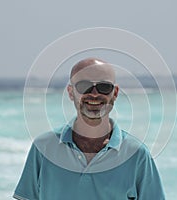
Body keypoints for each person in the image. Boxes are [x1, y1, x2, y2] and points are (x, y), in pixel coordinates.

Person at [13, 58, 165, 200]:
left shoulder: (137, 154)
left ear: (115, 93)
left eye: (103, 87)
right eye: (84, 86)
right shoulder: (43, 148)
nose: (94, 94)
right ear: (71, 93)